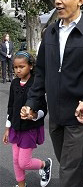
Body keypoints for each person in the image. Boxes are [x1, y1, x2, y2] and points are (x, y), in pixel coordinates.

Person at [20, 0, 83, 187]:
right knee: (67, 160)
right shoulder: (49, 32)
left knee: (69, 171)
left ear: (80, 0)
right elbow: (41, 72)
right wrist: (33, 103)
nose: (58, 1)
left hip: (81, 115)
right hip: (56, 115)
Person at [2, 51, 52, 187]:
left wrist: (34, 115)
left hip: (29, 129)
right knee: (15, 159)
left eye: (21, 66)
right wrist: (7, 127)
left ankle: (44, 164)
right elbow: (10, 106)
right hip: (15, 127)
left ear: (30, 66)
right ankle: (21, 184)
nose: (18, 70)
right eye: (15, 67)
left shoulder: (37, 84)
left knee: (24, 162)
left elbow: (43, 109)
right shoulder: (14, 83)